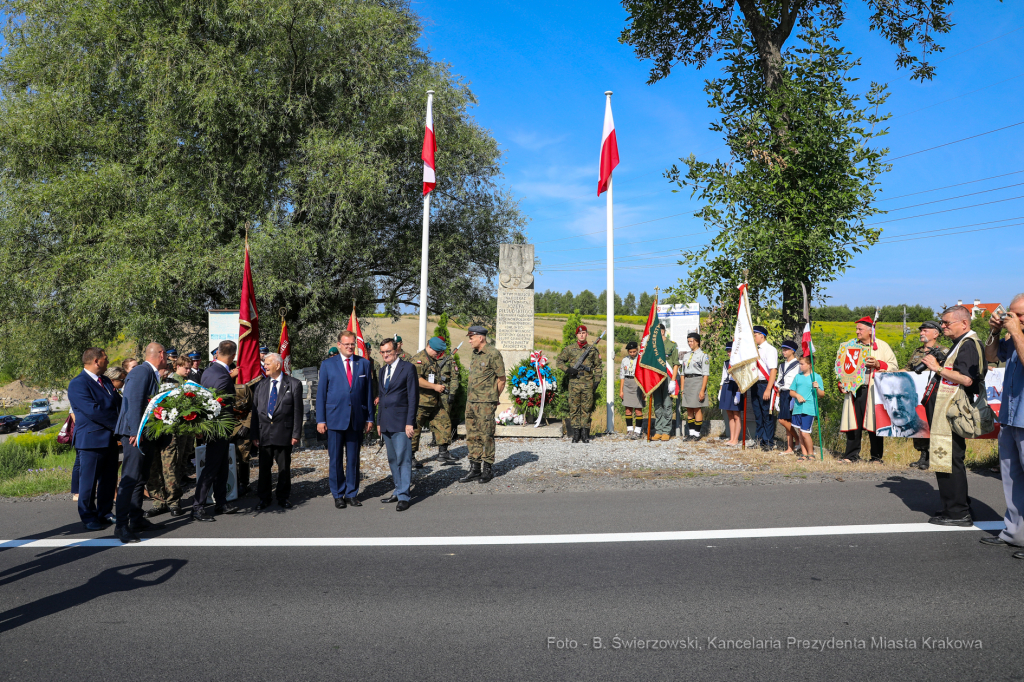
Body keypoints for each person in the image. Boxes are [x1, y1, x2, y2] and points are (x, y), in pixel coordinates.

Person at [921, 305, 984, 527]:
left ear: (964, 323)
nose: (943, 326)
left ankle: (958, 513)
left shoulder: (968, 344)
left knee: (950, 460)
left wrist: (937, 368)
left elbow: (967, 379)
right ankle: (954, 506)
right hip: (948, 409)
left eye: (947, 323)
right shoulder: (961, 343)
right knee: (947, 460)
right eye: (943, 322)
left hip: (953, 411)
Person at [982, 293, 1024, 559]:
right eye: (1012, 313)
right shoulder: (1013, 335)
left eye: (1019, 314)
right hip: (1011, 416)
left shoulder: (1018, 334)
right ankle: (1015, 533)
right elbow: (991, 356)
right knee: (1011, 478)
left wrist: (1016, 331)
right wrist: (995, 333)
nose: (1014, 318)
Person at [113, 342, 166, 543]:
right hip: (135, 433)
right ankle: (121, 526)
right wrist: (136, 429)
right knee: (130, 477)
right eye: (166, 355)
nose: (167, 358)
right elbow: (133, 400)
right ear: (161, 354)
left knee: (140, 478)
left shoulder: (150, 373)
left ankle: (136, 519)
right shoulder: (141, 371)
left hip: (145, 433)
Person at [316, 330, 374, 509]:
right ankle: (338, 494)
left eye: (352, 344)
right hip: (334, 419)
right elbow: (321, 395)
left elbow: (368, 393)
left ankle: (351, 493)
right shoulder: (327, 365)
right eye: (346, 344)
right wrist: (321, 419)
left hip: (357, 418)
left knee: (353, 459)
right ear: (339, 345)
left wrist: (370, 417)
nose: (350, 347)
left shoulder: (363, 363)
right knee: (335, 459)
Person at [67, 347, 122, 531]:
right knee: (88, 483)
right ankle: (88, 515)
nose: (108, 361)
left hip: (109, 439)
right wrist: (120, 427)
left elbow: (117, 404)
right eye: (105, 358)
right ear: (96, 361)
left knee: (109, 479)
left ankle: (104, 512)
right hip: (91, 441)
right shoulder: (78, 384)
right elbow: (93, 411)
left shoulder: (105, 381)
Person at [836, 316, 898, 463]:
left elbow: (894, 366)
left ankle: (876, 457)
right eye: (856, 329)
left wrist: (878, 364)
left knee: (874, 424)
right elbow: (841, 368)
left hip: (874, 391)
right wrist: (842, 383)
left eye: (860, 329)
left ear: (871, 330)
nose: (857, 332)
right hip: (854, 390)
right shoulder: (850, 346)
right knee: (853, 424)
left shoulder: (882, 346)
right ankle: (851, 456)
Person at [193, 340, 240, 522]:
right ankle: (198, 506)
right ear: (233, 356)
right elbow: (219, 403)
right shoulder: (222, 375)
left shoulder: (210, 370)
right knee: (212, 468)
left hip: (216, 427)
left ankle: (221, 501)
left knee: (221, 466)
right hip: (217, 426)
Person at [252, 353, 303, 510]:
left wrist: (296, 434)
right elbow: (254, 412)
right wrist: (254, 434)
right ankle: (264, 498)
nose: (264, 366)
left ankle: (283, 497)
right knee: (264, 468)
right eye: (264, 364)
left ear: (277, 365)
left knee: (283, 468)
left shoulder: (293, 384)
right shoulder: (260, 386)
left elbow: (297, 412)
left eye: (267, 364)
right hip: (264, 433)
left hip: (284, 433)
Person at [145, 356, 192, 518]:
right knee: (153, 468)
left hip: (170, 432)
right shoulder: (146, 380)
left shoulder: (177, 383)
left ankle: (173, 502)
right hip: (151, 431)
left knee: (170, 467)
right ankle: (158, 502)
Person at [376, 337, 418, 511]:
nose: (385, 355)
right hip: (386, 422)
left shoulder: (408, 368)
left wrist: (410, 422)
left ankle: (404, 496)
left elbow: (413, 397)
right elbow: (381, 396)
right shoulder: (382, 370)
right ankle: (398, 489)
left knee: (404, 459)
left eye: (389, 352)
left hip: (402, 422)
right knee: (393, 459)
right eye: (383, 352)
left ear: (397, 351)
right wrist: (379, 422)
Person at [461, 326, 505, 483]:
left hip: (485, 403)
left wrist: (493, 398)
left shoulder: (493, 354)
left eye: (471, 337)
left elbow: (501, 379)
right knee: (472, 435)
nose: (469, 340)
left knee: (486, 435)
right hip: (471, 402)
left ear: (481, 338)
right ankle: (474, 468)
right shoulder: (475, 354)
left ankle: (487, 469)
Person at [410, 337, 458, 467]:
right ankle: (410, 457)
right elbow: (416, 379)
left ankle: (443, 452)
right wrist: (435, 387)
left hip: (435, 402)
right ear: (430, 347)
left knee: (444, 422)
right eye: (437, 351)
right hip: (420, 402)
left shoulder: (432, 360)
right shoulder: (419, 360)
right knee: (415, 430)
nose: (439, 354)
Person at [904, 320, 943, 469]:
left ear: (936, 333)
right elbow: (908, 369)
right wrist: (888, 375)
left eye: (925, 331)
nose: (921, 333)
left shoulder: (944, 351)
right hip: (917, 395)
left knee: (933, 424)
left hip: (934, 394)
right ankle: (923, 456)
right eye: (921, 331)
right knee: (920, 424)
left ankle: (934, 457)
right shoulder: (917, 351)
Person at [556, 324, 602, 443]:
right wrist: (568, 370)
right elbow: (559, 361)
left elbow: (597, 366)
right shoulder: (569, 349)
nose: (582, 335)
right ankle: (576, 434)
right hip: (574, 383)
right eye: (580, 333)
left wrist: (597, 380)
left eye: (584, 333)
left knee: (586, 408)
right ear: (577, 335)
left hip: (588, 383)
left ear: (586, 334)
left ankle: (585, 434)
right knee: (574, 408)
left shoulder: (592, 350)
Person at [231, 371, 263, 498]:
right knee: (229, 457)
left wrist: (246, 425)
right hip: (228, 426)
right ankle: (232, 482)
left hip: (242, 424)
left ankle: (244, 484)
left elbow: (254, 408)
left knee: (243, 456)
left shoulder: (245, 385)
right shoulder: (220, 385)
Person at [789, 355, 825, 461]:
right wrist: (798, 396)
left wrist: (817, 388)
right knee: (800, 432)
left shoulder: (816, 377)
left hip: (809, 409)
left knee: (805, 432)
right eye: (800, 363)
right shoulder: (798, 377)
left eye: (802, 364)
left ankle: (811, 454)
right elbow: (791, 391)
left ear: (810, 365)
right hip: (798, 408)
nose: (800, 366)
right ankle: (804, 454)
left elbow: (821, 394)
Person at [749, 325, 778, 450]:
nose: (753, 337)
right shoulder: (753, 350)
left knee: (767, 414)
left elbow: (773, 370)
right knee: (758, 414)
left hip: (765, 384)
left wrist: (768, 389)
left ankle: (768, 442)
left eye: (755, 335)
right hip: (755, 384)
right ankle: (759, 440)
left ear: (762, 335)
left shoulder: (770, 349)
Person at [874, 373, 928, 437]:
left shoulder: (929, 431)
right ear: (884, 403)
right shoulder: (881, 434)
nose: (896, 407)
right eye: (888, 398)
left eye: (903, 397)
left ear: (915, 400)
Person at [679, 332, 709, 441]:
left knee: (697, 408)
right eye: (688, 341)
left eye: (691, 341)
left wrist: (702, 390)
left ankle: (697, 434)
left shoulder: (703, 356)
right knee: (689, 409)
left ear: (697, 341)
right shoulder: (686, 355)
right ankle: (691, 434)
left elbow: (705, 374)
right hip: (688, 382)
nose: (689, 343)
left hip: (697, 381)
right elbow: (682, 374)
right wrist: (682, 389)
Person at [775, 340, 801, 454]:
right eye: (783, 349)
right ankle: (790, 447)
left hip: (792, 393)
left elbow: (799, 380)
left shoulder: (798, 365)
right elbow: (780, 381)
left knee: (783, 420)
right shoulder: (782, 365)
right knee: (786, 420)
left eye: (786, 350)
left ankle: (798, 440)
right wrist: (777, 397)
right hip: (783, 393)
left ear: (792, 351)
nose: (783, 352)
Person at [719, 342, 745, 447]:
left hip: (736, 387)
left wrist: (738, 392)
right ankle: (731, 438)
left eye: (730, 351)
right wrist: (720, 390)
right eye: (728, 351)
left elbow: (741, 378)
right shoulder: (726, 363)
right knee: (729, 414)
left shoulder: (740, 363)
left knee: (736, 414)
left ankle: (736, 439)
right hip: (727, 387)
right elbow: (723, 377)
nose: (728, 353)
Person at [618, 341, 644, 439]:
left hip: (637, 384)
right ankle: (629, 430)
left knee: (638, 409)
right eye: (630, 352)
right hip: (627, 384)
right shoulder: (625, 360)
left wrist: (643, 391)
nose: (632, 354)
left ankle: (638, 431)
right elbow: (622, 376)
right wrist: (621, 390)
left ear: (637, 350)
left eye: (634, 351)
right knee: (628, 409)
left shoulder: (641, 360)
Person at [659, 324, 680, 440]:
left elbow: (676, 364)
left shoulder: (671, 345)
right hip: (656, 378)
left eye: (658, 331)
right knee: (657, 404)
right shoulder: (653, 346)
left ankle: (666, 430)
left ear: (663, 331)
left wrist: (673, 381)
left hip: (668, 377)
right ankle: (659, 429)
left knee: (667, 404)